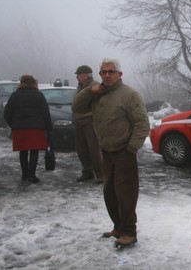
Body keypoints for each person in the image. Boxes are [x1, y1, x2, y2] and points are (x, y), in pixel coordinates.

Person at [72, 58, 150, 248]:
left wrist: (132, 148)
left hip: (124, 151)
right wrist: (91, 90)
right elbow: (76, 106)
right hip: (107, 150)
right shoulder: (98, 93)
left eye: (111, 71)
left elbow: (142, 123)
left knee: (126, 193)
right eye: (103, 72)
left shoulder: (129, 94)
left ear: (119, 74)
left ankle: (130, 232)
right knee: (109, 192)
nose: (107, 75)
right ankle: (118, 227)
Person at [4, 75, 52, 184]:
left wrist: (13, 124)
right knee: (34, 151)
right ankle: (32, 175)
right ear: (34, 83)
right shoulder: (38, 95)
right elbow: (45, 113)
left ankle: (24, 174)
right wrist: (48, 127)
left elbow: (7, 113)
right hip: (36, 128)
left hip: (19, 128)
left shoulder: (14, 96)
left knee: (23, 151)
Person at [72, 65, 103, 183]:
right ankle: (87, 171)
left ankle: (100, 174)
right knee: (81, 149)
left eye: (79, 74)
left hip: (89, 120)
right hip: (78, 120)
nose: (77, 77)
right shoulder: (80, 86)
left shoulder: (94, 86)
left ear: (87, 75)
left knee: (93, 148)